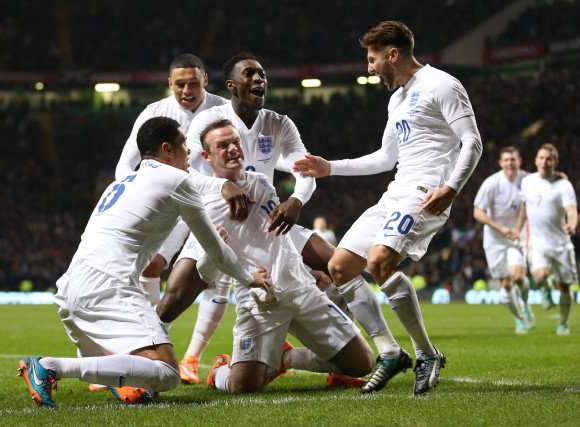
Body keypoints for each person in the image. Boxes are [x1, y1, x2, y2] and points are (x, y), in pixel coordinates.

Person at [159, 52, 405, 391]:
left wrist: (296, 200)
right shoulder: (208, 121)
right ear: (231, 85)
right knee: (176, 294)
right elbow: (183, 173)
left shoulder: (277, 129)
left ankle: (346, 348)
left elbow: (303, 169)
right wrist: (222, 185)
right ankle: (148, 357)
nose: (259, 79)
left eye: (262, 73)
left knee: (337, 263)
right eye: (250, 74)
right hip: (212, 215)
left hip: (269, 219)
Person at [17, 117, 269, 408]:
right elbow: (216, 250)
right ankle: (49, 367)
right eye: (184, 144)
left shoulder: (122, 182)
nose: (188, 151)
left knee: (132, 373)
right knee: (167, 373)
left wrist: (220, 186)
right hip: (109, 287)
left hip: (70, 290)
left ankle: (126, 385)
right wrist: (250, 278)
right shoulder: (177, 181)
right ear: (167, 148)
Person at [293, 20, 483, 396]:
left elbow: (472, 142)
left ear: (392, 55)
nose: (369, 67)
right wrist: (331, 167)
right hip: (395, 192)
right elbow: (385, 157)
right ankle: (389, 351)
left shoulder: (442, 85)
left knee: (380, 261)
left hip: (426, 191)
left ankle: (427, 353)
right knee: (340, 266)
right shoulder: (396, 99)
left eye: (372, 59)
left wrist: (450, 188)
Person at [197, 119, 374, 393]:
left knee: (363, 362)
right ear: (206, 157)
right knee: (243, 387)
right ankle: (220, 372)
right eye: (222, 145)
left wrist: (304, 269)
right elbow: (204, 271)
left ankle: (286, 358)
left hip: (301, 289)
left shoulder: (262, 182)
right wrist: (232, 266)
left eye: (235, 142)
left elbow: (278, 238)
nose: (232, 149)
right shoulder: (209, 206)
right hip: (261, 300)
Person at [114, 54, 230, 313]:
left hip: (216, 202)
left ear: (206, 80)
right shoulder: (155, 113)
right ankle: (154, 334)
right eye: (180, 84)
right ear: (169, 83)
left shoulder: (225, 110)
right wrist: (139, 196)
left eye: (193, 83)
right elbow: (124, 166)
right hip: (172, 203)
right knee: (151, 264)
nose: (186, 91)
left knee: (224, 269)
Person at [515, 143, 577, 335]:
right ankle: (546, 289)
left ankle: (563, 322)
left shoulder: (563, 185)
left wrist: (572, 224)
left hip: (561, 243)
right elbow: (524, 209)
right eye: (541, 158)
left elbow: (572, 211)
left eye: (548, 159)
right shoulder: (527, 182)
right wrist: (518, 229)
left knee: (565, 286)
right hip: (538, 241)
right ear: (535, 160)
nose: (544, 162)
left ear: (555, 162)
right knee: (539, 275)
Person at [473, 146, 535, 334]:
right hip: (495, 239)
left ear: (519, 161)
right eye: (506, 160)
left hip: (517, 235)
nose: (510, 163)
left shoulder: (528, 180)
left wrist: (516, 229)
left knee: (518, 276)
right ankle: (519, 320)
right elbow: (478, 212)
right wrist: (500, 228)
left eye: (513, 159)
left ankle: (525, 306)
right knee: (506, 283)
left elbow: (544, 187)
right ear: (501, 163)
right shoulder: (491, 183)